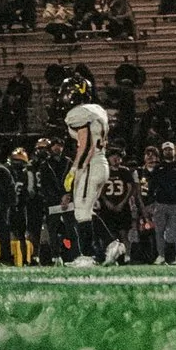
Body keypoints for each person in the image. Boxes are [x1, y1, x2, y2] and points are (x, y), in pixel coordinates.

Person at [62, 83, 111, 260]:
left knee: (81, 212)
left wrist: (75, 170)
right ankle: (112, 244)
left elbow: (86, 145)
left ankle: (87, 256)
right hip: (102, 162)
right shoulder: (98, 110)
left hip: (90, 164)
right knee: (87, 211)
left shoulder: (78, 113)